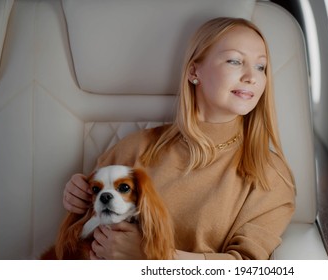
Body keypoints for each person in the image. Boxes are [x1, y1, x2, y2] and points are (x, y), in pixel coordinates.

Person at [62, 17, 296, 260]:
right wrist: (78, 198)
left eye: (261, 67)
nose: (252, 77)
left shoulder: (270, 175)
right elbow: (83, 230)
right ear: (194, 71)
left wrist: (153, 258)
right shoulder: (134, 148)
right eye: (235, 61)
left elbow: (246, 266)